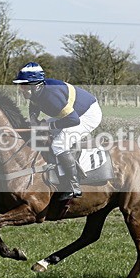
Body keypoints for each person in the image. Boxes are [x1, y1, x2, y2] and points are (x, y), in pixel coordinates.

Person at [13, 62, 102, 201]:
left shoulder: (51, 96)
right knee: (42, 133)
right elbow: (34, 104)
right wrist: (34, 119)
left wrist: (49, 126)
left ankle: (73, 186)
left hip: (86, 115)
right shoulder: (37, 91)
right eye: (20, 85)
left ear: (36, 85)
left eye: (24, 85)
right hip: (70, 114)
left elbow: (73, 120)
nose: (21, 88)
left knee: (59, 144)